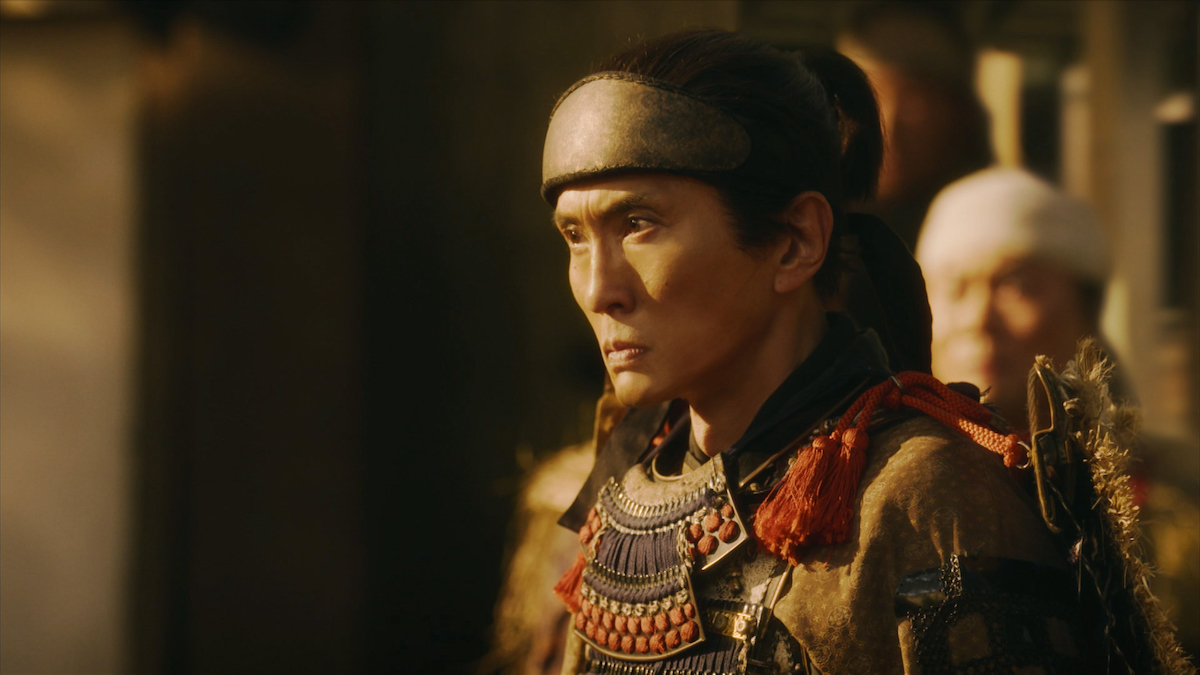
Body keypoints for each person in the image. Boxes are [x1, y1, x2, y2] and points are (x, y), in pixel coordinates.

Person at [540, 30, 1083, 675]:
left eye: (638, 225)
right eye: (575, 237)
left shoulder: (923, 498)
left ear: (796, 242)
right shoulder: (626, 487)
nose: (598, 290)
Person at [916, 166, 1200, 659]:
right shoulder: (898, 490)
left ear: (1087, 312)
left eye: (1017, 286)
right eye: (955, 289)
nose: (979, 320)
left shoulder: (1176, 501)